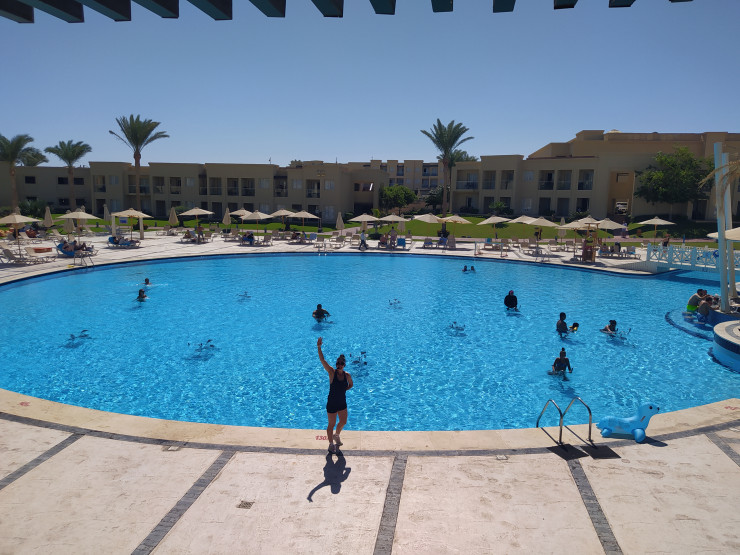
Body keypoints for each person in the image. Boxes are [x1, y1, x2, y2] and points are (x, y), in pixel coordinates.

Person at [317, 337, 353, 453]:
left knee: (343, 422)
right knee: (331, 424)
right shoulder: (332, 372)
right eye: (338, 363)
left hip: (342, 403)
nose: (339, 365)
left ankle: (336, 435)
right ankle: (331, 444)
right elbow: (323, 360)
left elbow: (351, 385)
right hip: (332, 403)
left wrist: (344, 390)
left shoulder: (347, 375)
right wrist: (319, 347)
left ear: (344, 365)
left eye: (341, 363)